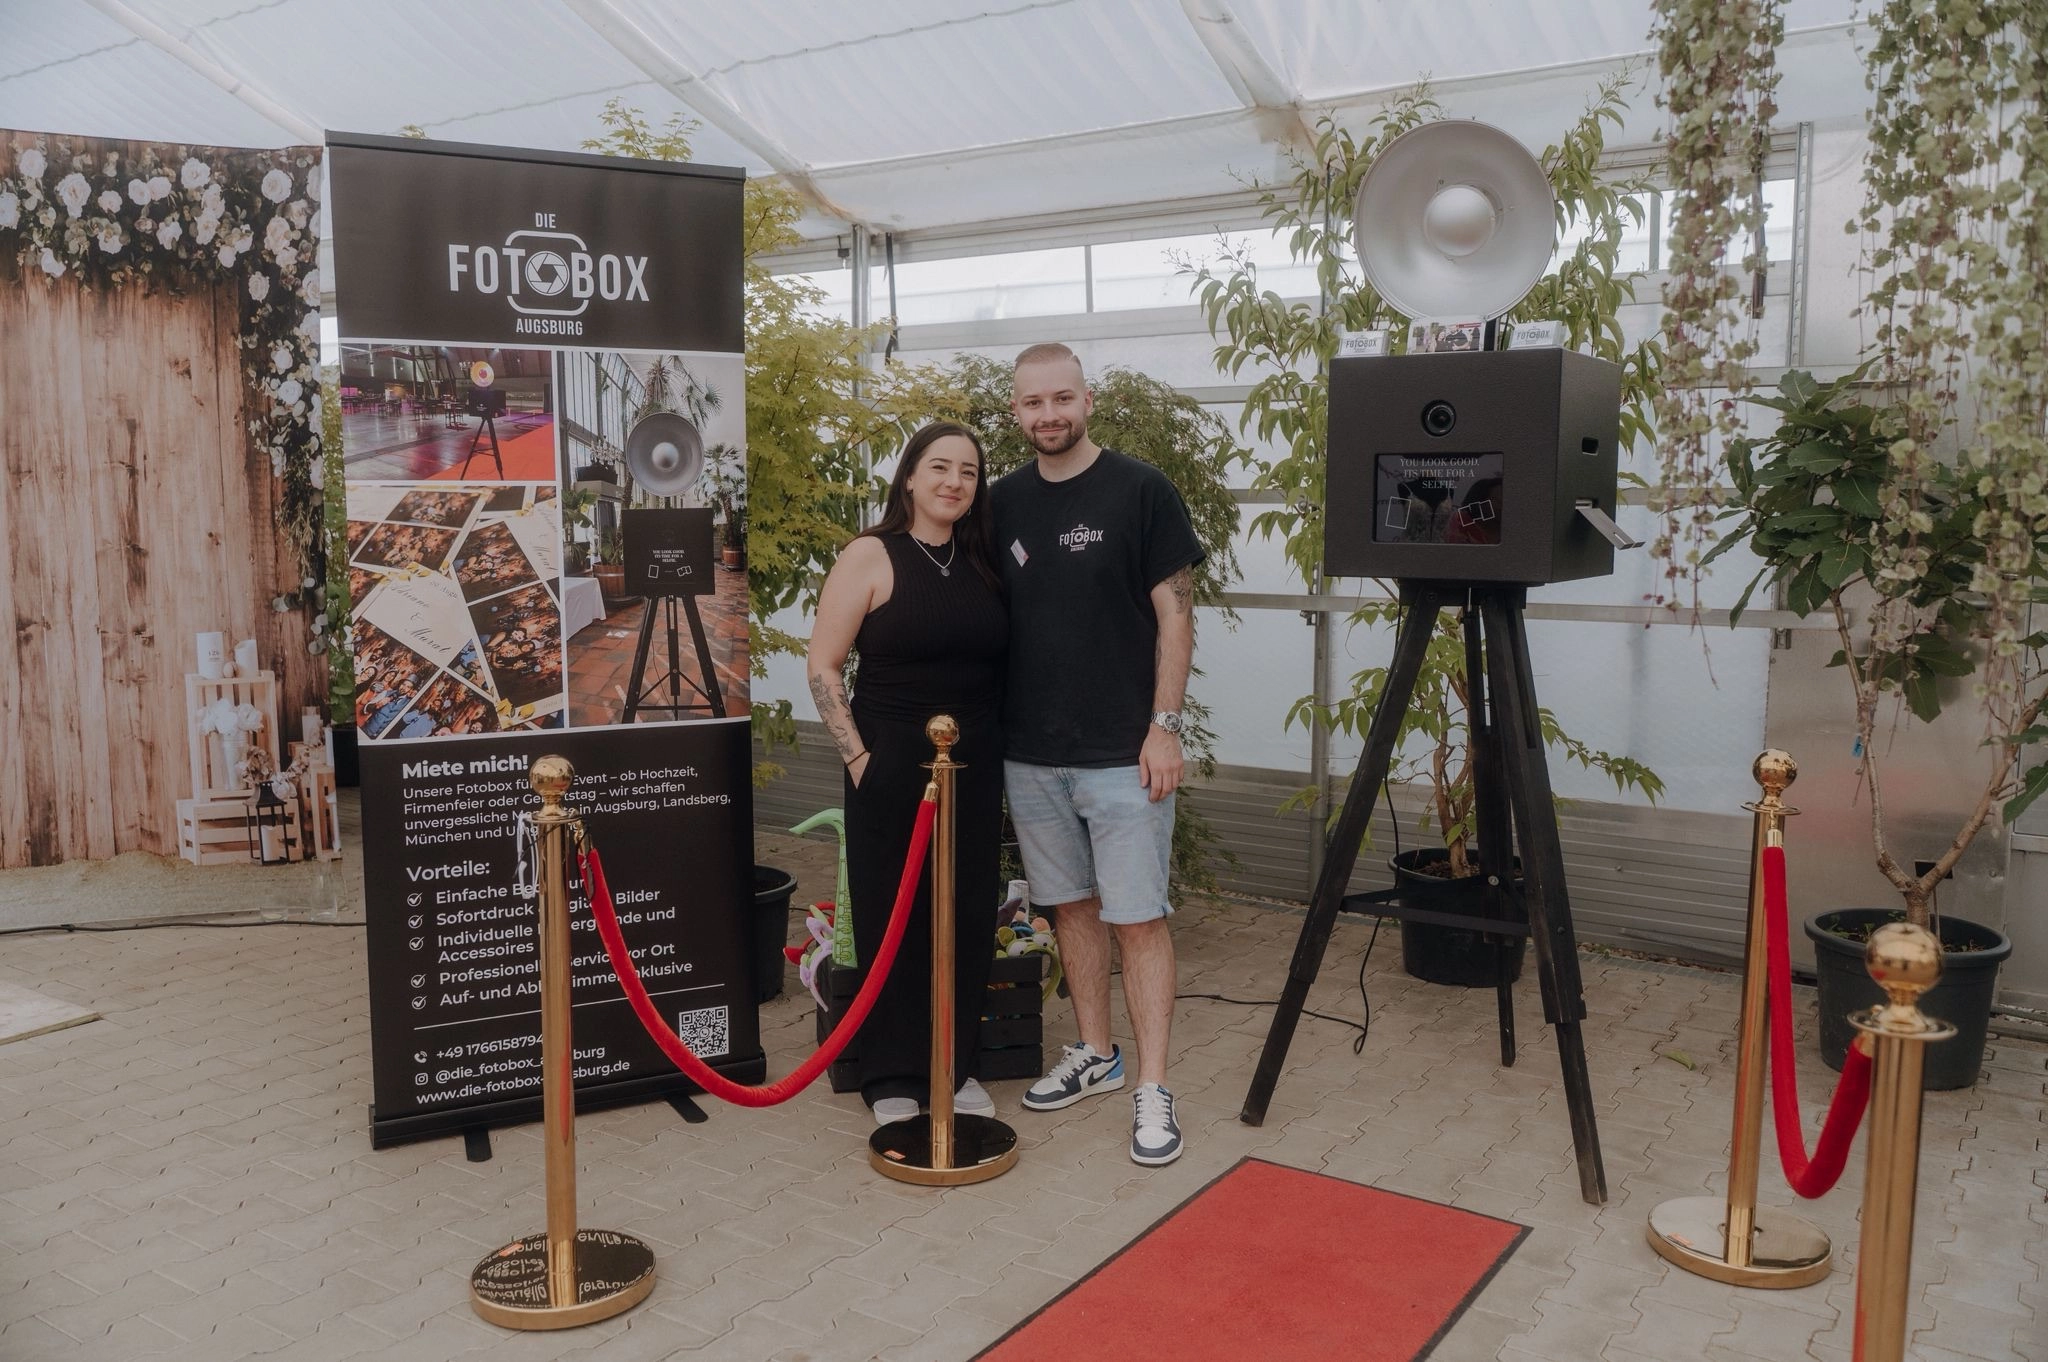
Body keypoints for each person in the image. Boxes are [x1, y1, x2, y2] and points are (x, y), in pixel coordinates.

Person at [994, 342, 1204, 1166]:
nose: (1047, 415)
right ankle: (1097, 1054)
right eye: (1031, 404)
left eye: (1061, 399)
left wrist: (1165, 724)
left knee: (1138, 918)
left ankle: (1153, 1085)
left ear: (1088, 400)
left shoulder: (1141, 489)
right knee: (1068, 909)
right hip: (1029, 752)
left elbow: (1177, 616)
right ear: (1014, 413)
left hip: (1124, 753)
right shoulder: (1000, 502)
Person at [806, 421, 1008, 1126]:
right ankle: (892, 1072)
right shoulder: (871, 553)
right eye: (940, 468)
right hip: (890, 763)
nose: (954, 482)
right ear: (911, 477)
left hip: (975, 766)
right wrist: (860, 759)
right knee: (897, 914)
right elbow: (823, 668)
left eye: (969, 473)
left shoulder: (983, 559)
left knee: (968, 914)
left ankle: (954, 1066)